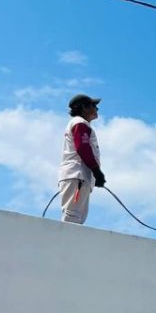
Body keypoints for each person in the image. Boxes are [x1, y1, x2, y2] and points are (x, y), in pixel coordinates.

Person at [57, 94, 105, 224]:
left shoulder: (79, 124)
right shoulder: (80, 123)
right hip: (77, 175)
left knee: (77, 217)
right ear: (84, 107)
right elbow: (83, 148)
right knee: (73, 216)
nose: (97, 109)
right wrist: (96, 171)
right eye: (94, 106)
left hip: (80, 176)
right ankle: (66, 243)